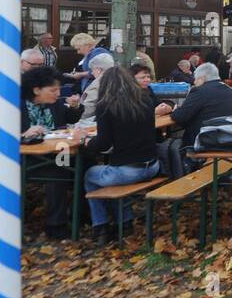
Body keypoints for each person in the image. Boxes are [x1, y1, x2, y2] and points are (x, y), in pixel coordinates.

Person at [76, 65, 160, 244]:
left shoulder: (106, 106)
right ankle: (124, 221)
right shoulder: (145, 100)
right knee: (112, 176)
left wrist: (85, 140)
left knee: (90, 175)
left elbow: (103, 144)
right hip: (152, 166)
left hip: (127, 170)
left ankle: (101, 226)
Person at [19, 65, 84, 238]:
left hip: (56, 151)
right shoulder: (16, 108)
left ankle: (84, 216)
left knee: (86, 161)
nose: (57, 93)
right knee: (58, 171)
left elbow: (70, 118)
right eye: (53, 90)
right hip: (27, 158)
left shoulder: (54, 105)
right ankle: (56, 226)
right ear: (36, 90)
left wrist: (75, 107)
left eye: (59, 90)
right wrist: (23, 134)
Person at [154, 63, 232, 174]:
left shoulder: (200, 91)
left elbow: (180, 117)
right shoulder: (226, 89)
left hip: (211, 141)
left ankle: (176, 174)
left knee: (173, 144)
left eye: (195, 79)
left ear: (202, 78)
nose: (194, 82)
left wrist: (174, 109)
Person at [80, 52, 115, 118]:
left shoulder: (98, 84)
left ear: (99, 69)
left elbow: (88, 109)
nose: (92, 73)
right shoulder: (121, 81)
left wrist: (75, 108)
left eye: (92, 69)